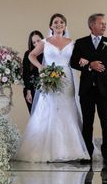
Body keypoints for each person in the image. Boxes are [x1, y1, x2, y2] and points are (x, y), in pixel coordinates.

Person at [16, 14, 90, 162]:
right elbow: (32, 55)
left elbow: (76, 59)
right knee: (49, 108)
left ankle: (71, 148)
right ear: (50, 26)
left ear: (65, 25)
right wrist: (41, 67)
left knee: (68, 108)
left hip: (67, 80)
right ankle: (47, 149)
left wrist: (82, 59)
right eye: (55, 22)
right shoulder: (45, 42)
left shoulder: (72, 43)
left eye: (61, 22)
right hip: (50, 77)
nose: (58, 24)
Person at [70, 13, 107, 165]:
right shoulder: (80, 43)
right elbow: (73, 62)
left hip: (105, 90)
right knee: (87, 123)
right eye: (101, 23)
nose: (104, 26)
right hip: (87, 90)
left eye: (105, 23)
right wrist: (89, 64)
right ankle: (87, 153)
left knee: (106, 123)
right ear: (92, 25)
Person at [22, 30, 44, 113]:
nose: (37, 44)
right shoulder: (28, 54)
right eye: (34, 42)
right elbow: (26, 73)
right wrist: (28, 92)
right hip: (32, 89)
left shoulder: (48, 53)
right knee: (35, 116)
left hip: (46, 88)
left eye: (38, 41)